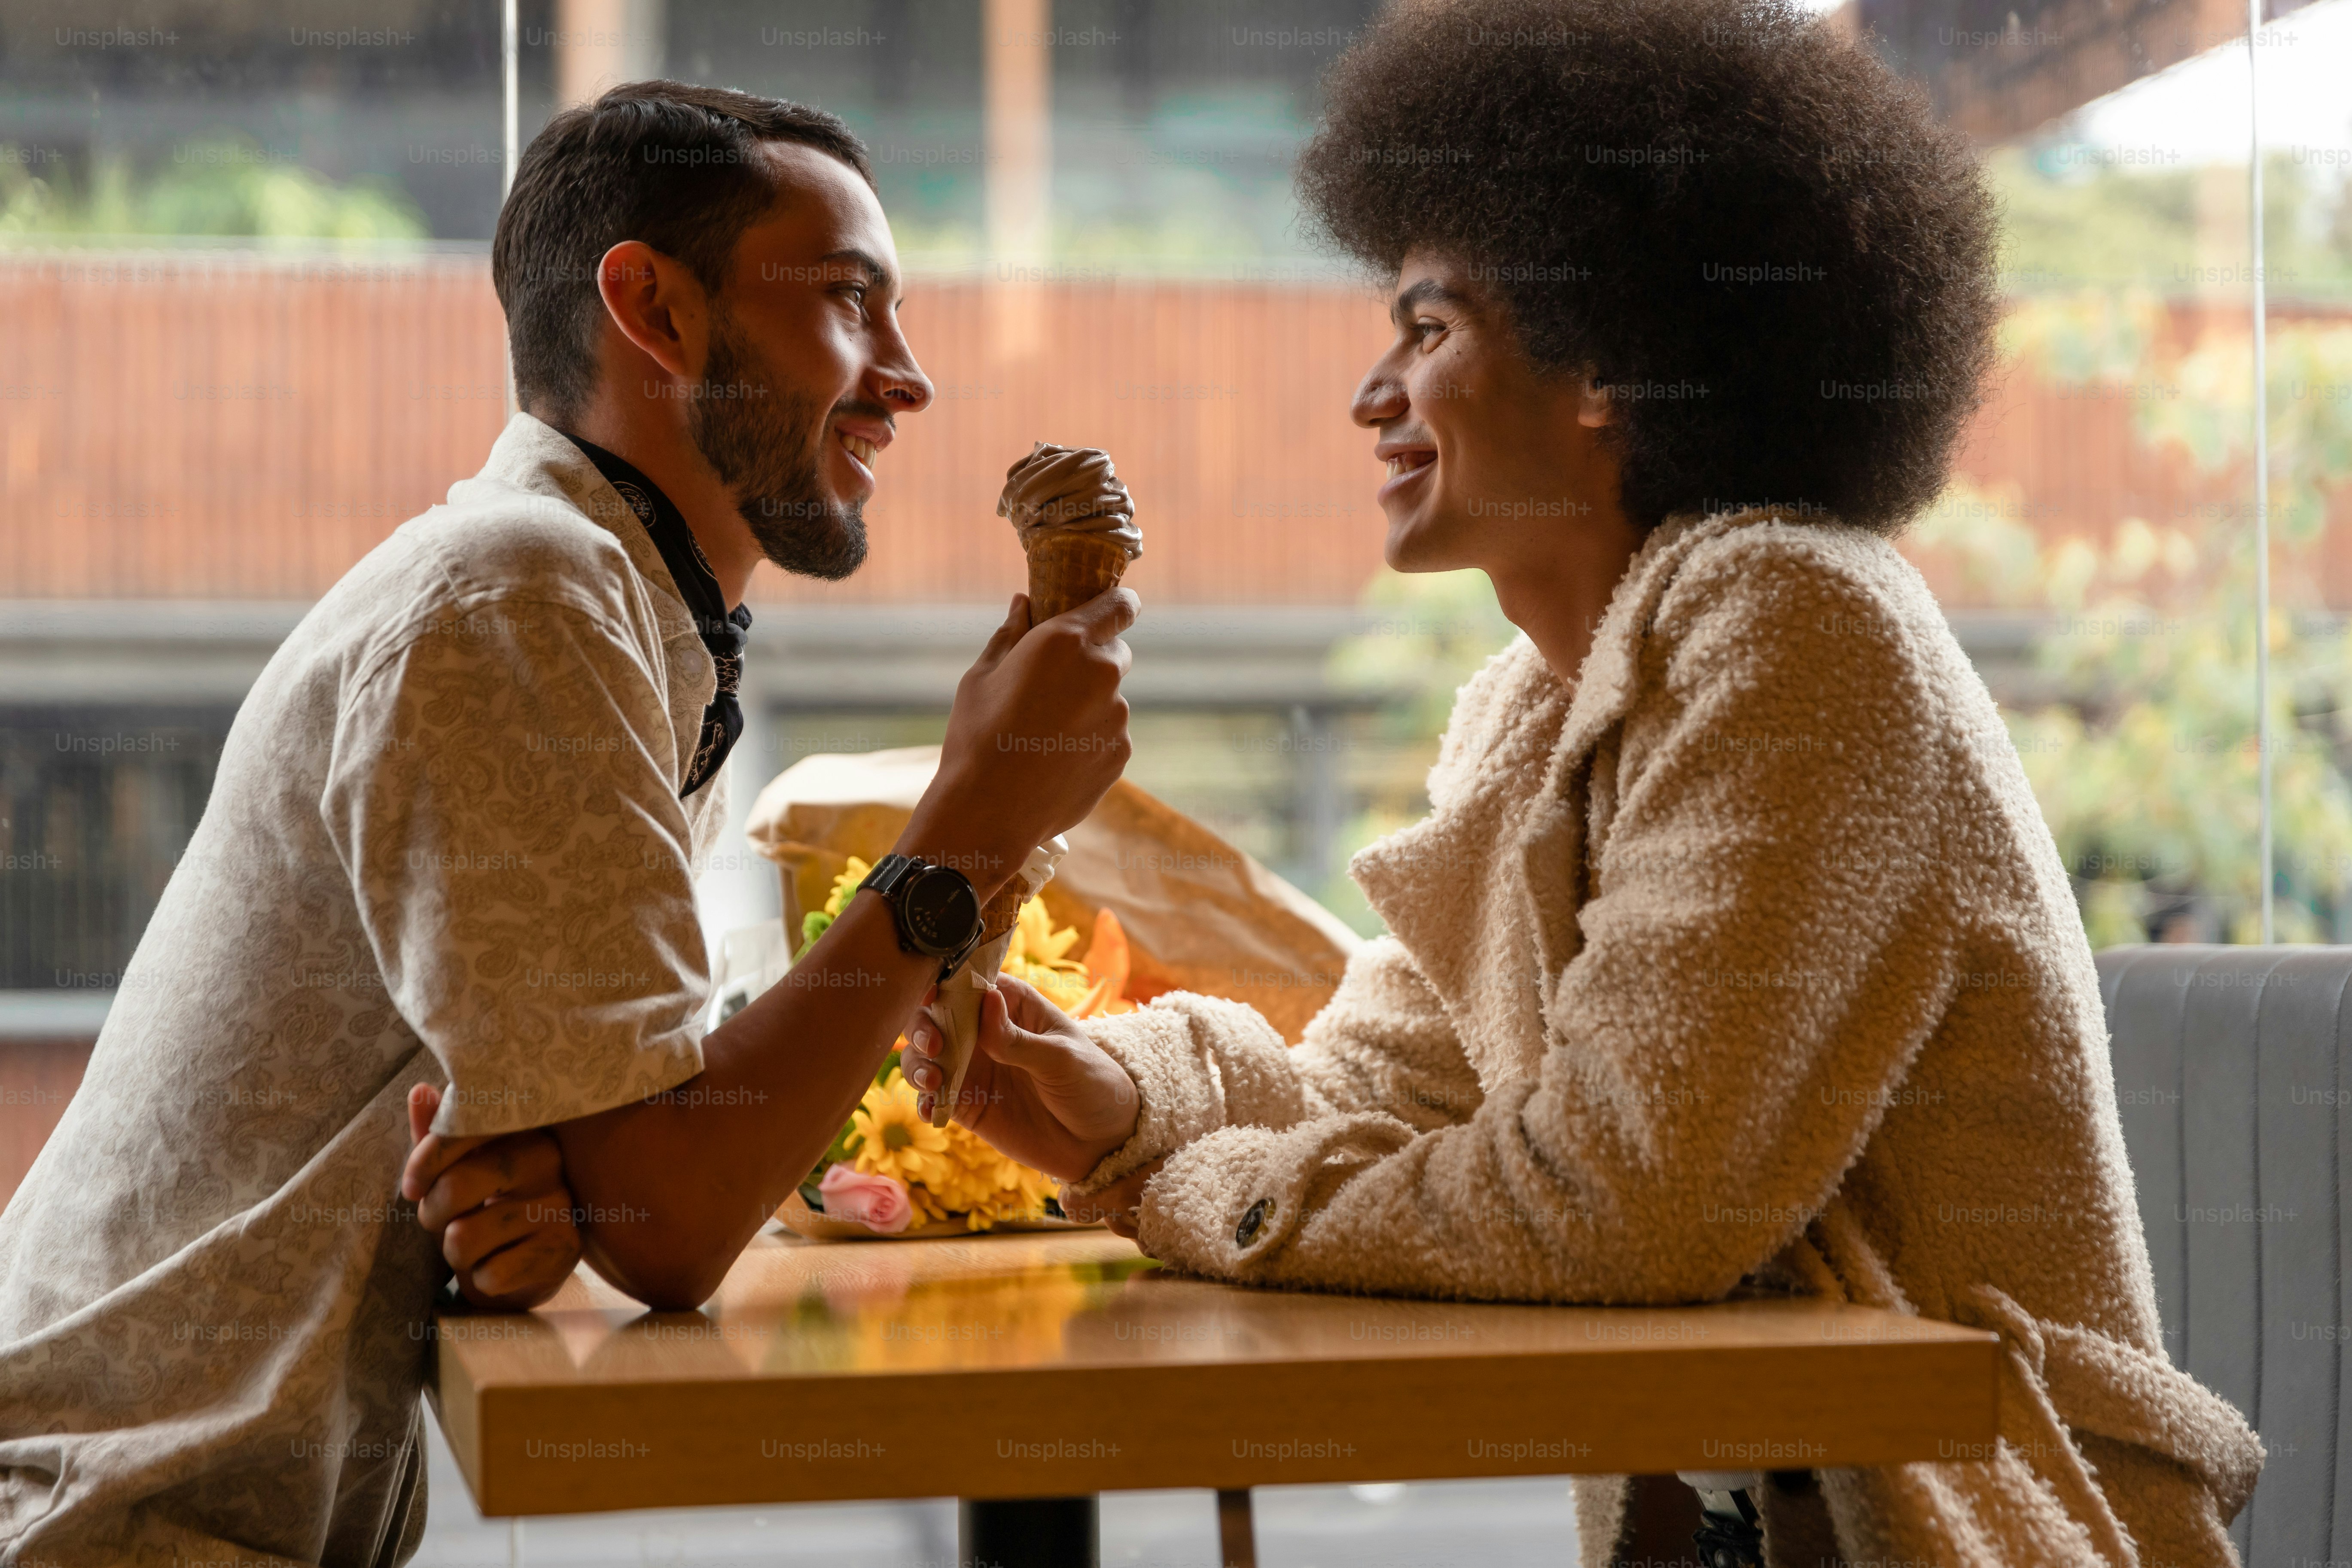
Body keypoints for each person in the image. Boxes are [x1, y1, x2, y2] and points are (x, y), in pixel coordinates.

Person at [900, 3, 2264, 1565]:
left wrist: (1191, 1187)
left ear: (1605, 360)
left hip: (1979, 1521)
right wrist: (1122, 1100)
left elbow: (1620, 1203)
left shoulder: (1797, 620)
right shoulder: (1535, 704)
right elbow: (1387, 1090)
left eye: (1426, 330)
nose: (1369, 396)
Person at [0, 83, 1133, 1568]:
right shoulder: (519, 597)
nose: (905, 378)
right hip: (113, 1530)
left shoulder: (624, 608)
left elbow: (625, 1171)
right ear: (652, 310)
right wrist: (967, 829)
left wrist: (548, 1191)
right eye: (850, 302)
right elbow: (669, 1222)